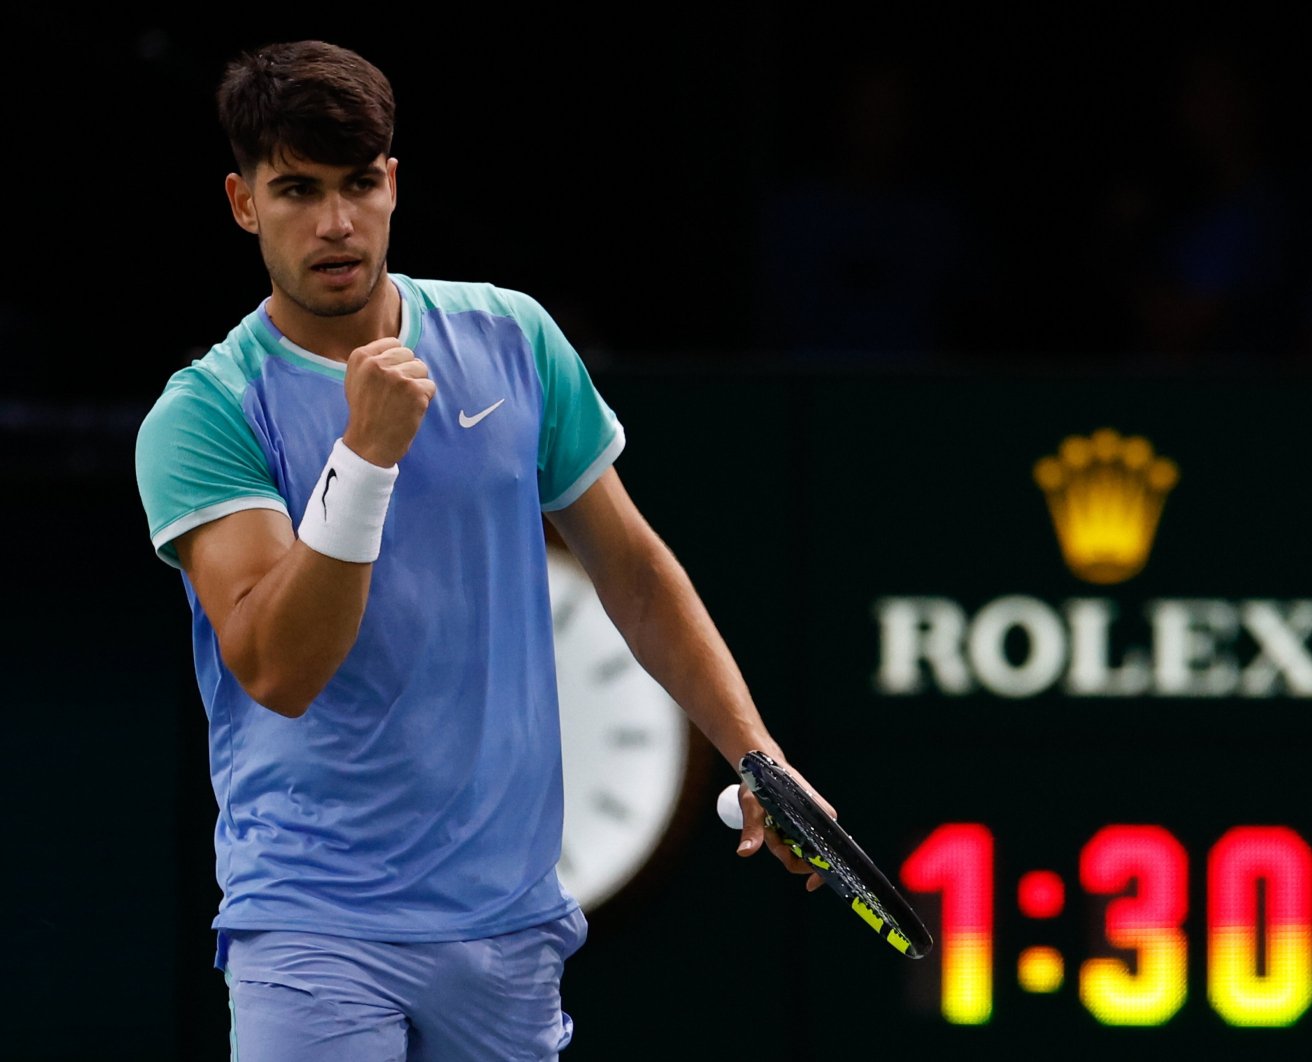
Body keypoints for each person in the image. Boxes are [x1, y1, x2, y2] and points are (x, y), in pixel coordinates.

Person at [132, 38, 826, 1061]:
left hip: (507, 931)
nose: (336, 223)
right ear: (243, 203)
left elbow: (631, 573)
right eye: (297, 190)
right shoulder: (205, 414)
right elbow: (279, 670)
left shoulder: (513, 338)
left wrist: (754, 752)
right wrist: (364, 457)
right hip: (313, 925)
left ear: (394, 184)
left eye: (360, 184)